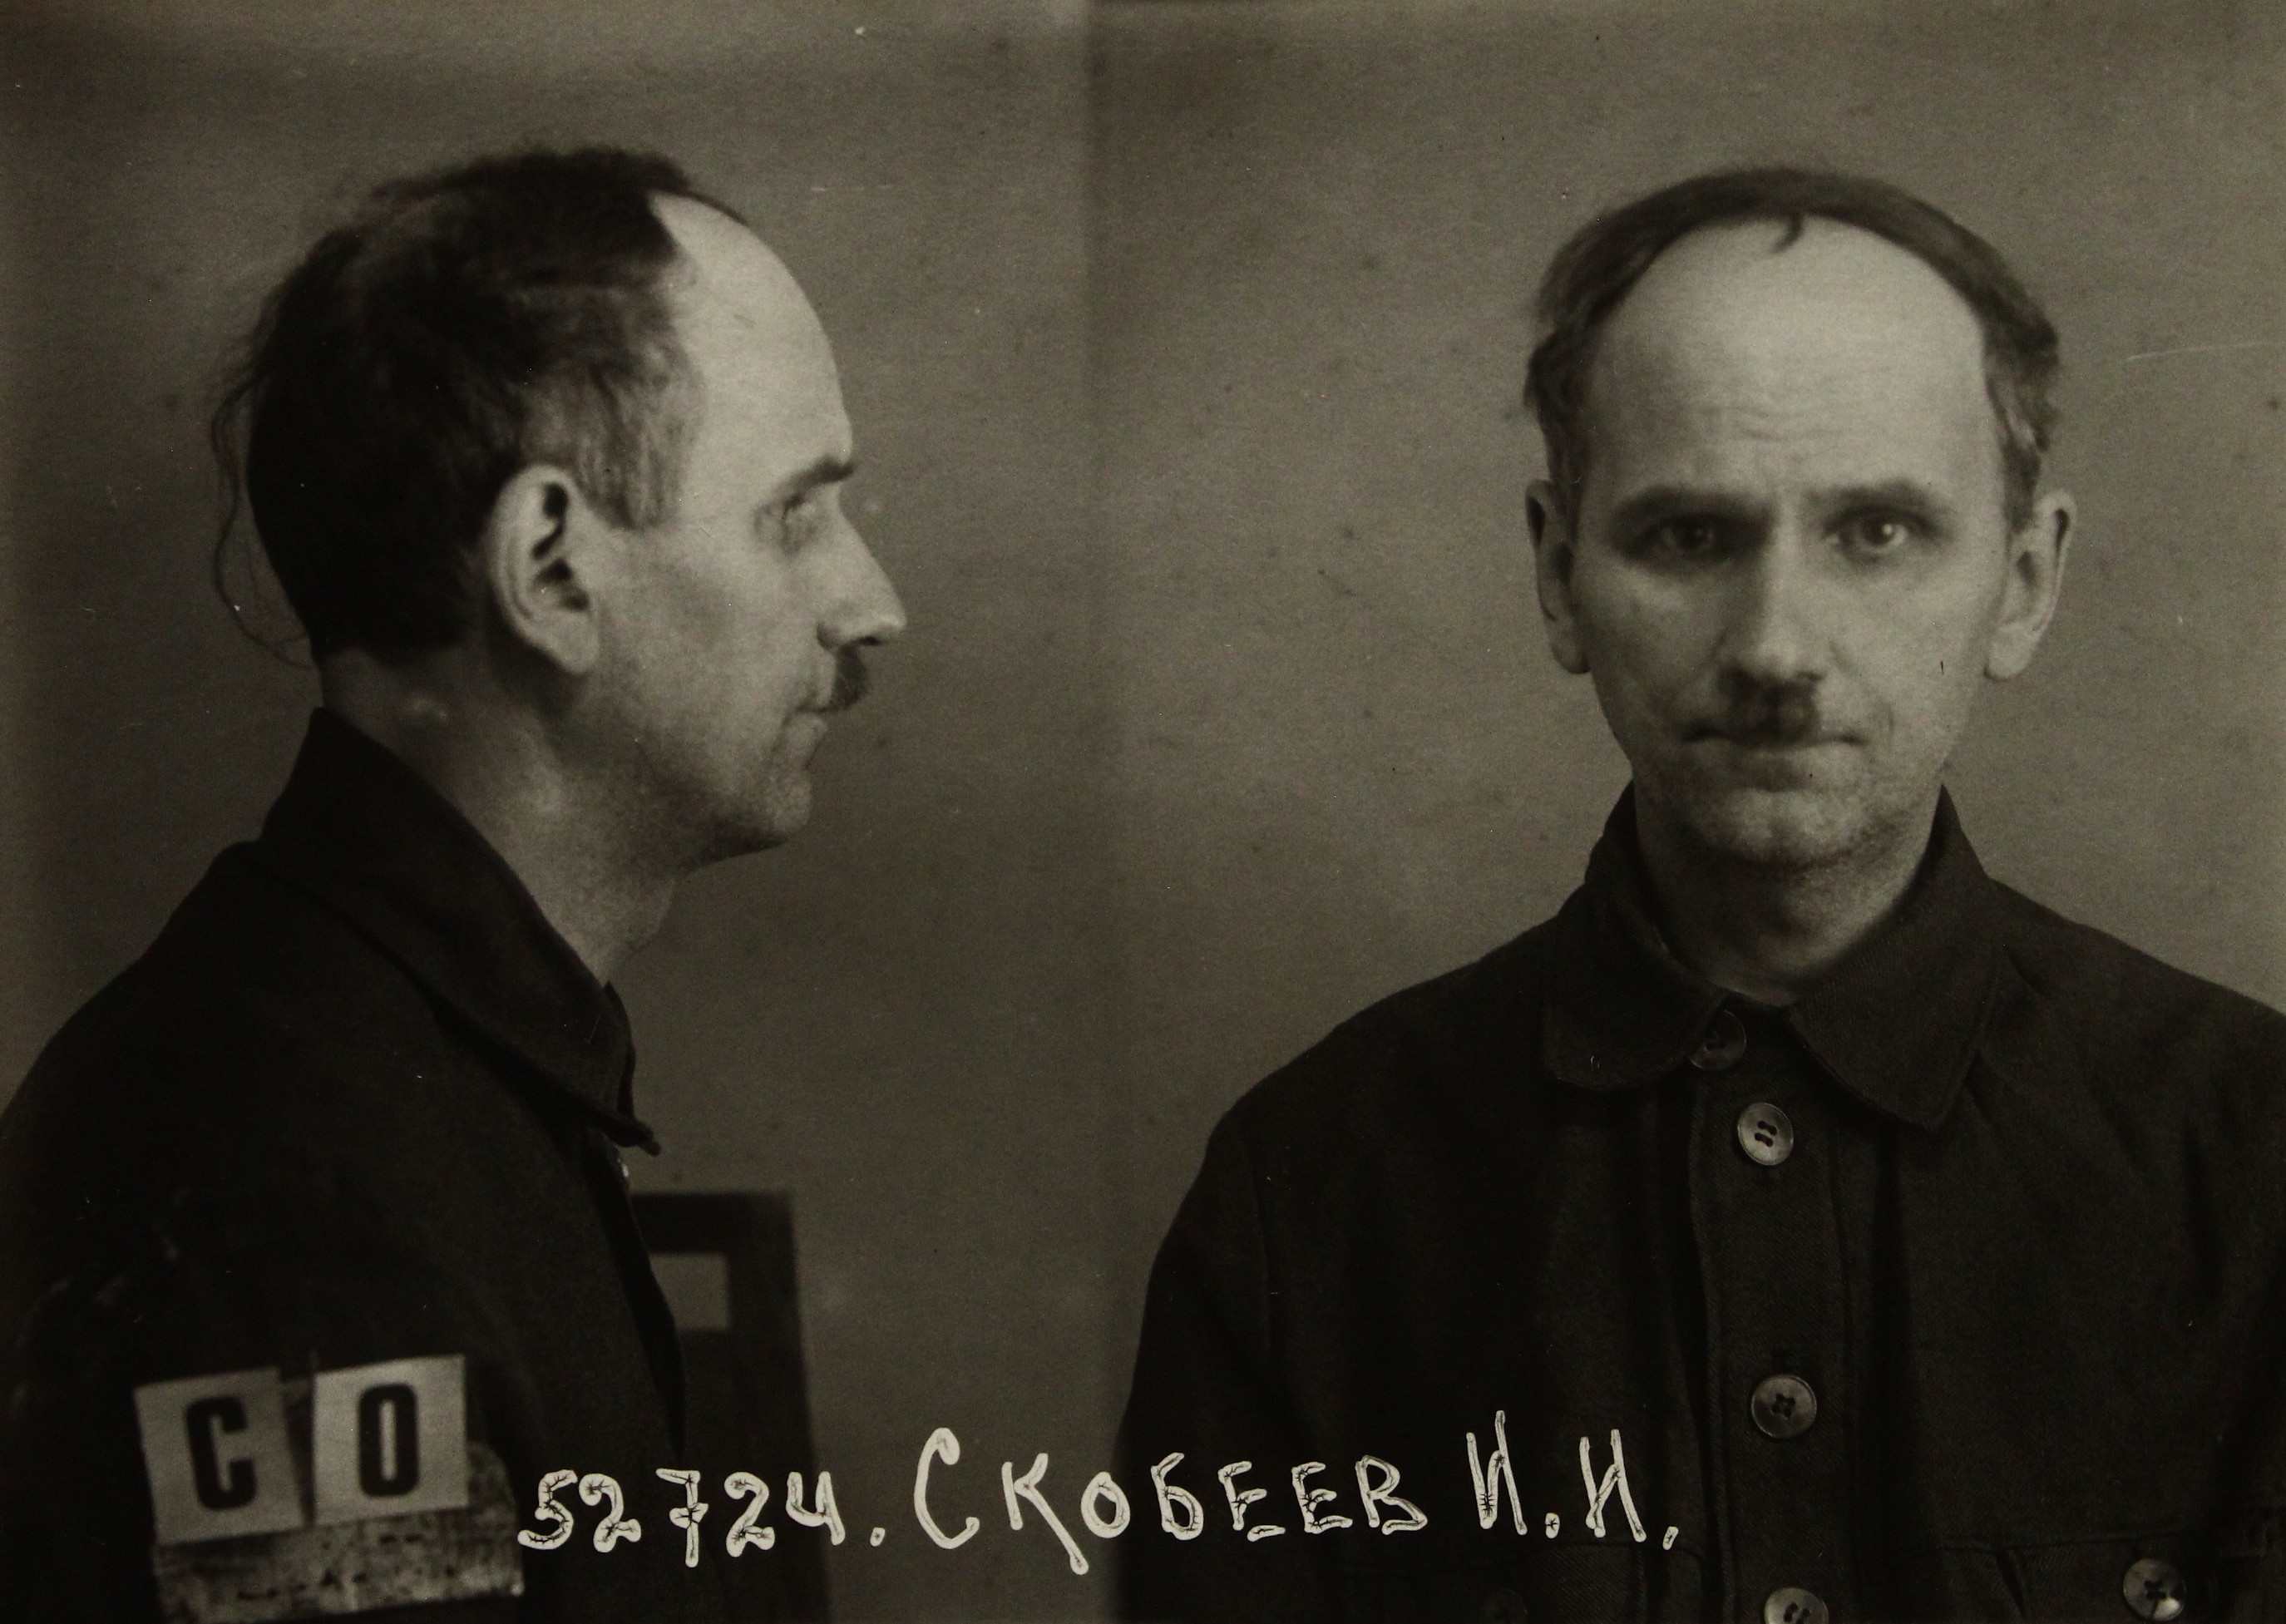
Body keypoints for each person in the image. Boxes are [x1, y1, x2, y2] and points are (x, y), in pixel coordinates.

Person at [1116, 167, 2286, 1624]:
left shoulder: (2254, 1158)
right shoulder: (1307, 1187)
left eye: (1876, 532)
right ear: (1560, 575)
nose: (1775, 647)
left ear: (2024, 580)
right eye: (1688, 537)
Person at [0, 149, 904, 1622]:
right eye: (795, 513)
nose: (872, 604)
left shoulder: (405, 1074)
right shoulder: (294, 1198)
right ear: (548, 571)